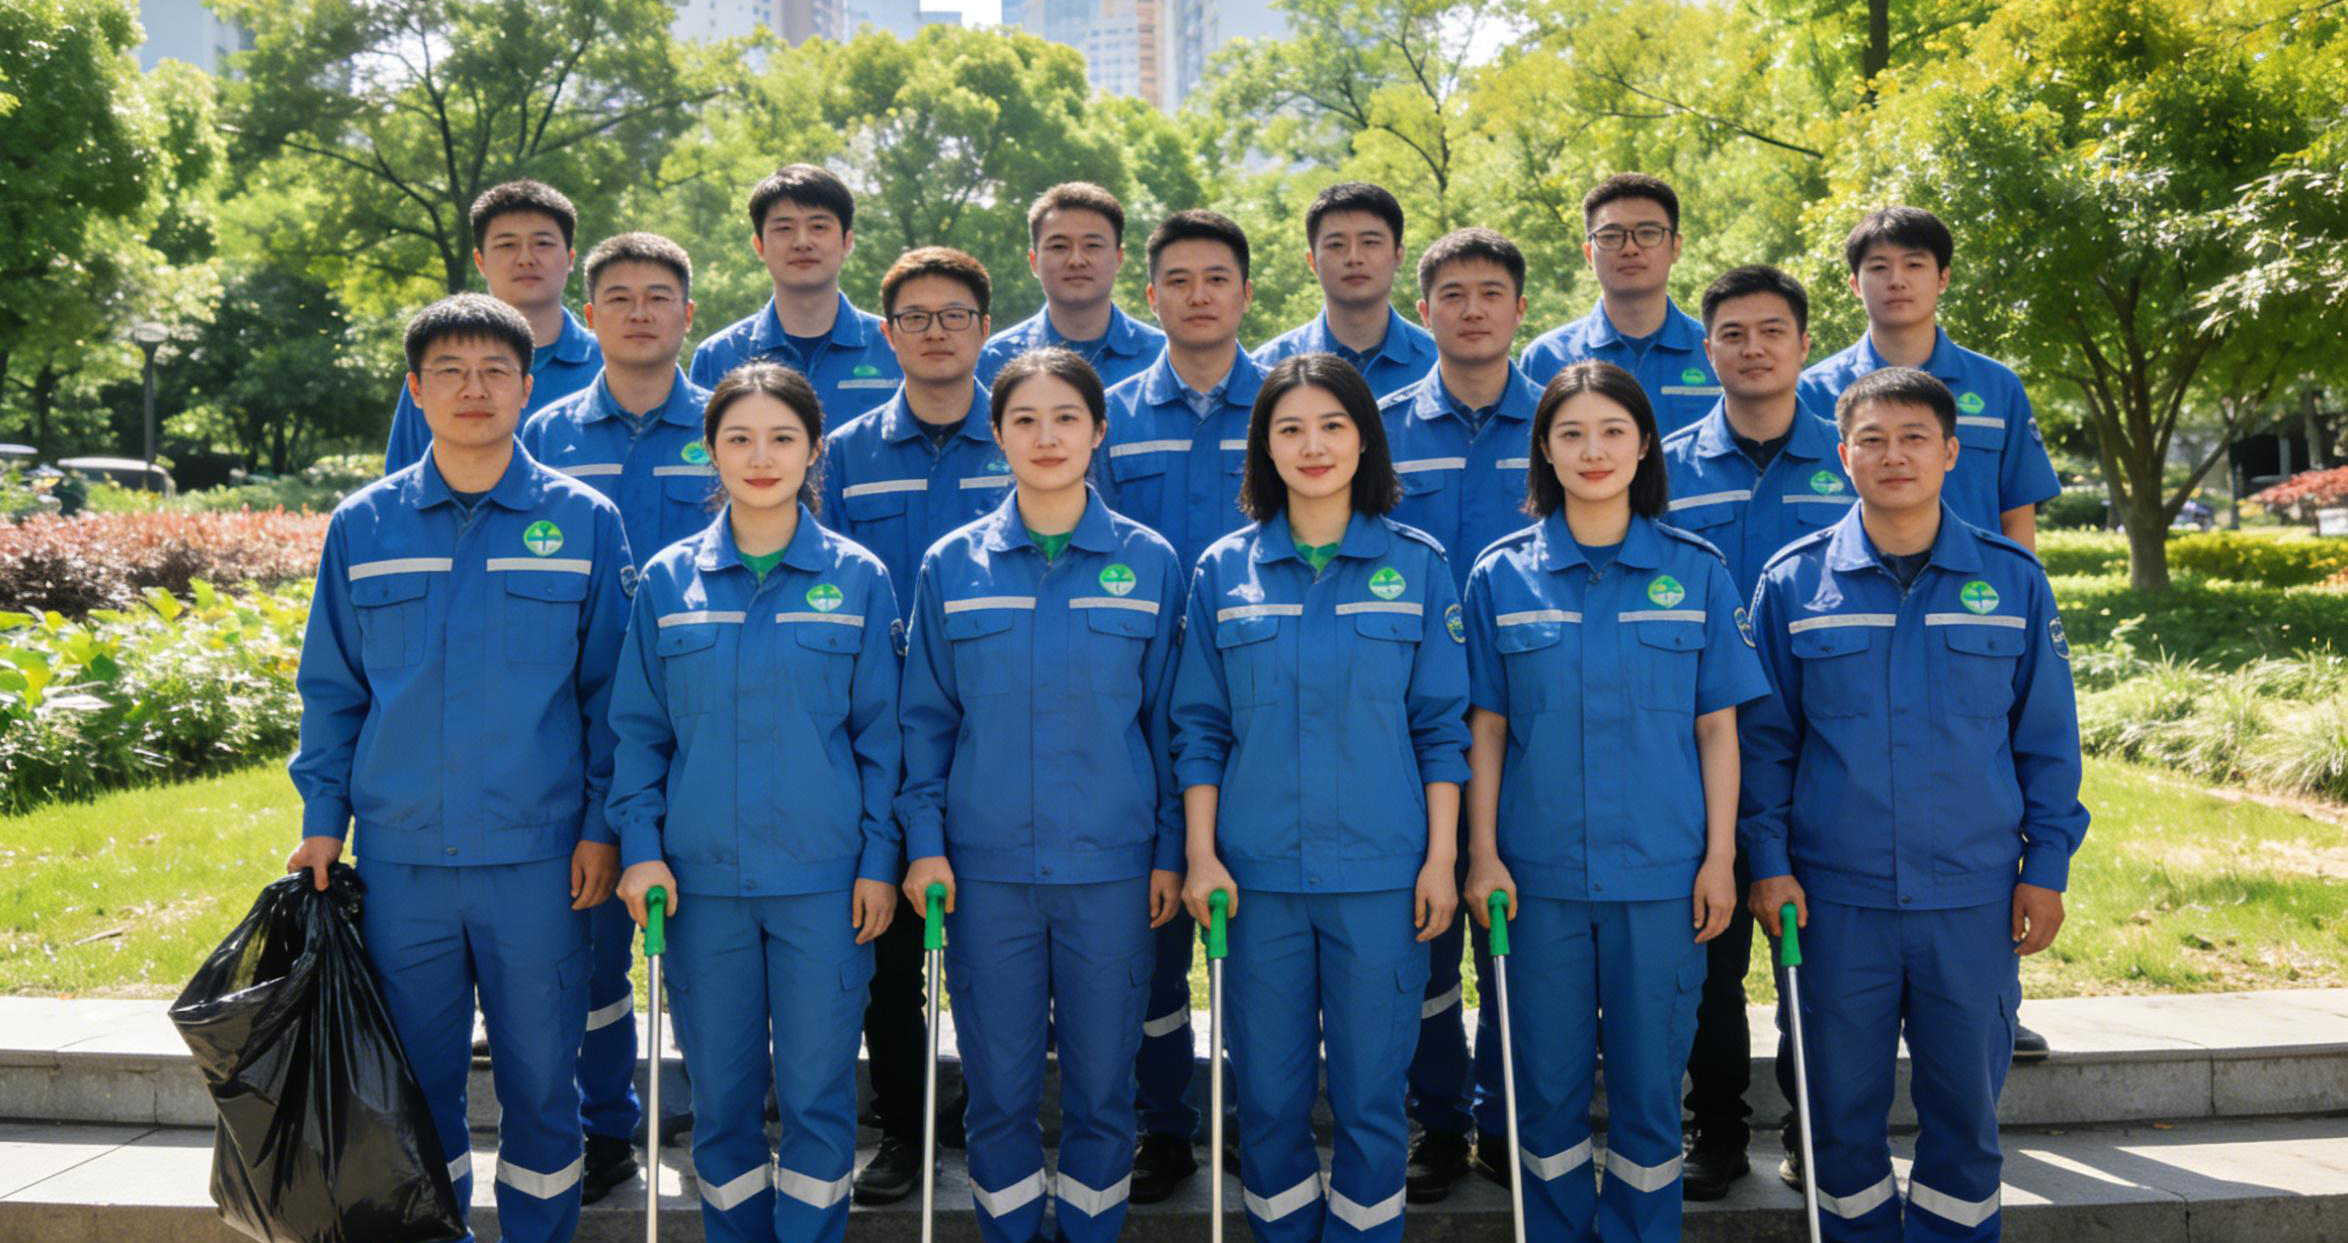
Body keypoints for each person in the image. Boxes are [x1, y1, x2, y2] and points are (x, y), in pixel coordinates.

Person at [288, 293, 632, 1243]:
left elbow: (614, 699)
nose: (473, 388)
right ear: (416, 389)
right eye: (450, 371)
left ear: (528, 386)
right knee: (415, 1088)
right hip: (403, 863)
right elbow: (333, 688)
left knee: (543, 1087)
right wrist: (322, 819)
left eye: (494, 371)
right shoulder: (363, 525)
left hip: (543, 862)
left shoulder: (585, 521)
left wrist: (602, 825)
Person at [1743, 366, 2089, 1241]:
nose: (1893, 455)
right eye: (1873, 439)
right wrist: (1769, 864)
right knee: (1836, 1120)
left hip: (1971, 899)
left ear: (1951, 452)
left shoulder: (2012, 580)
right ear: (1843, 455)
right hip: (1834, 901)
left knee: (1966, 1120)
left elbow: (2048, 741)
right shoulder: (1793, 583)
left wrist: (2046, 867)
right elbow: (1763, 747)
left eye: (1913, 438)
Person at [1459, 360, 1770, 1241]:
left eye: (1612, 432)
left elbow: (1719, 730)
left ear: (1644, 448)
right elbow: (1485, 729)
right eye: (1571, 433)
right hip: (1538, 878)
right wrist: (1482, 855)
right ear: (1545, 451)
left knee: (1649, 1089)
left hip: (1662, 877)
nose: (1592, 450)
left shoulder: (1696, 572)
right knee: (1545, 1090)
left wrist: (1720, 858)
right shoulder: (1500, 576)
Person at [1171, 353, 1470, 1243]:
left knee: (1373, 1099)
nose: (1313, 445)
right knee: (1267, 1099)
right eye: (1291, 428)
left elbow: (1441, 729)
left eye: (1334, 425)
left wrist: (1441, 859)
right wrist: (1201, 854)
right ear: (1264, 446)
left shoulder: (1417, 566)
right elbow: (1200, 729)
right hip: (1255, 879)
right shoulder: (1224, 571)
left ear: (1365, 439)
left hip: (1382, 876)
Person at [602, 363, 902, 1243]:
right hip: (701, 886)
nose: (760, 456)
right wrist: (641, 847)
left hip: (824, 886)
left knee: (816, 1097)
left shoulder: (859, 578)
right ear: (712, 451)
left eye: (781, 438)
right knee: (724, 1102)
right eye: (739, 438)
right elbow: (638, 733)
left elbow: (884, 739)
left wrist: (879, 859)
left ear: (813, 451)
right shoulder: (667, 582)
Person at [896, 347, 1187, 1243]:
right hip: (987, 875)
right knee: (999, 1090)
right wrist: (925, 843)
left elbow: (1173, 723)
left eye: (1067, 417)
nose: (1047, 436)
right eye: (1025, 419)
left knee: (1102, 1091)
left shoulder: (1149, 562)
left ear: (1100, 431)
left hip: (1114, 871)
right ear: (997, 434)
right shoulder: (953, 565)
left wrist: (1170, 849)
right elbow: (925, 721)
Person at [512, 229, 710, 1201]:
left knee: (716, 939)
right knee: (586, 943)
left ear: (688, 315)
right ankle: (603, 1127)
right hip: (578, 720)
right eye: (619, 297)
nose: (639, 311)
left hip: (712, 719)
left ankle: (721, 1116)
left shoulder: (733, 425)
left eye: (658, 295)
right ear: (589, 317)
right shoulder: (542, 433)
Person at [1656, 264, 1847, 1199]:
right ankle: (1718, 1127)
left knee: (1824, 958)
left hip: (1832, 742)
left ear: (1805, 344)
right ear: (1707, 351)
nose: (1753, 348)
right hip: (1703, 744)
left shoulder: (1852, 454)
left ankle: (1815, 1127)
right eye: (1732, 333)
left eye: (1772, 330)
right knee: (1712, 954)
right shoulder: (1665, 467)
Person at [814, 244, 1000, 1203]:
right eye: (915, 317)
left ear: (985, 329)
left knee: (1001, 937)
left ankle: (1006, 1113)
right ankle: (906, 1123)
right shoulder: (845, 453)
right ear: (887, 335)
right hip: (882, 730)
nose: (936, 332)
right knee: (888, 944)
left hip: (1003, 725)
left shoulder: (1024, 431)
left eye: (954, 314)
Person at [1097, 206, 1269, 1201]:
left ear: (1247, 292)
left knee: (1267, 931)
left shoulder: (1291, 404)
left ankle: (1259, 1113)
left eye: (1217, 278)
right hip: (1142, 709)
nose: (1198, 295)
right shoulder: (1109, 417)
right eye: (1178, 279)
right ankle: (1160, 1122)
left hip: (1270, 701)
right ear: (1149, 294)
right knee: (1152, 934)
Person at [1372, 225, 1538, 1201]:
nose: (1472, 310)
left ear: (1520, 307)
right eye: (1452, 295)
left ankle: (1509, 1116)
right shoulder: (1380, 429)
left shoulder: (1562, 423)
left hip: (1538, 722)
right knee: (1425, 934)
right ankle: (1436, 1119)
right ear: (1422, 309)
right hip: (1410, 725)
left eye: (1491, 293)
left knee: (1521, 932)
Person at [1797, 207, 2061, 555]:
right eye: (1879, 267)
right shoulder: (1810, 392)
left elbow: (2017, 512)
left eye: (1914, 264)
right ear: (1855, 285)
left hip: (1973, 583)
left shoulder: (1997, 386)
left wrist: (2018, 585)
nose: (1896, 280)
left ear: (1943, 278)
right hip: (1849, 583)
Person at [382, 181, 603, 473]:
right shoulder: (439, 368)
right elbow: (403, 484)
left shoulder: (610, 365)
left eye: (542, 244)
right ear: (480, 260)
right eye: (507, 245)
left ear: (571, 258)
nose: (526, 259)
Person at [690, 164, 902, 418]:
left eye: (818, 227)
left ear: (847, 242)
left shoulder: (896, 347)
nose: (802, 242)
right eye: (784, 228)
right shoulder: (718, 355)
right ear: (759, 246)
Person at [1519, 174, 1720, 437]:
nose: (1630, 248)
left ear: (1676, 247)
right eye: (1611, 236)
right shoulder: (1547, 357)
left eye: (1648, 233)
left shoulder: (1717, 351)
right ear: (1589, 254)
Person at [975, 182, 1166, 392]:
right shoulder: (994, 359)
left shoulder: (1163, 356)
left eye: (1092, 246)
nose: (1076, 260)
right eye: (1059, 246)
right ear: (1034, 261)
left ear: (1119, 258)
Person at [1253, 182, 1436, 399]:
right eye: (1336, 245)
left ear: (1398, 255)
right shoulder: (1265, 370)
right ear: (1312, 261)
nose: (1353, 258)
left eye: (1370, 242)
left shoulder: (1439, 363)